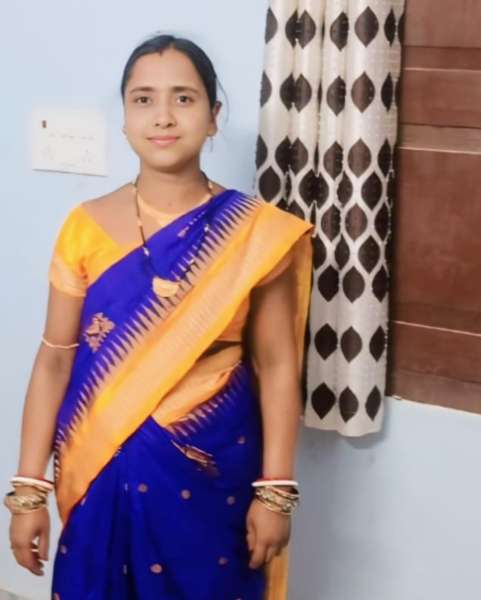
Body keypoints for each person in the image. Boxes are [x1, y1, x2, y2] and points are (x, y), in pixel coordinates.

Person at [6, 34, 313, 600]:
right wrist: (28, 490)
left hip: (212, 467)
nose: (163, 116)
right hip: (99, 463)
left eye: (184, 98)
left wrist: (275, 491)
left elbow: (276, 365)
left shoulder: (255, 234)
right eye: (143, 99)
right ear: (124, 118)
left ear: (214, 117)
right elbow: (54, 361)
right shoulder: (85, 227)